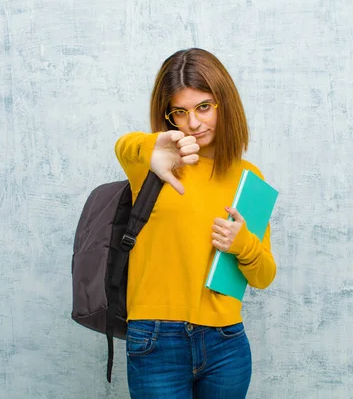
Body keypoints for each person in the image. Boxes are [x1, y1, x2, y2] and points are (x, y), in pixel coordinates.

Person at [114, 47, 277, 399]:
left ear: (224, 103)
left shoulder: (249, 178)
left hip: (226, 342)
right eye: (180, 111)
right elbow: (123, 146)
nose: (194, 123)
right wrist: (152, 145)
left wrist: (242, 243)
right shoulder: (155, 163)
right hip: (156, 340)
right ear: (169, 116)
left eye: (204, 106)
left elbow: (263, 276)